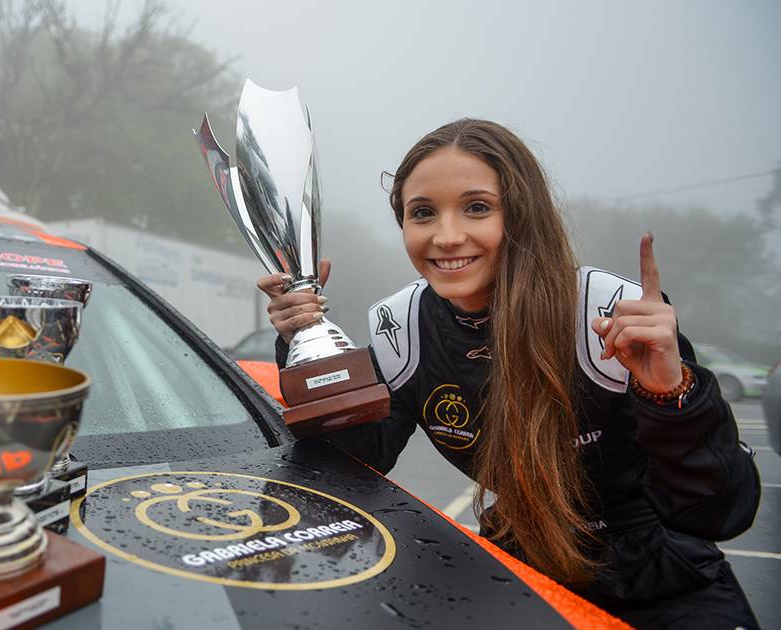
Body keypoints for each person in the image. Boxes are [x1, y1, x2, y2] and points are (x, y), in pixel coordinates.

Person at [258, 119, 761, 628]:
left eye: (477, 207)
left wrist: (671, 395)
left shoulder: (611, 311)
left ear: (521, 214)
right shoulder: (401, 328)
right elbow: (354, 462)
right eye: (423, 213)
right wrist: (304, 345)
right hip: (522, 578)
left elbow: (719, 513)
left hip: (666, 582)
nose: (447, 236)